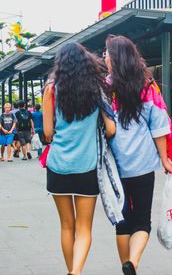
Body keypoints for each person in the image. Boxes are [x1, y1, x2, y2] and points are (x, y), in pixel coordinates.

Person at [104, 35, 172, 275]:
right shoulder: (147, 86)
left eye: (106, 54)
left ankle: (126, 264)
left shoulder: (105, 88)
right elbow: (159, 126)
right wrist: (164, 158)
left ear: (115, 59)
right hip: (143, 165)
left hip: (116, 168)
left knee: (123, 219)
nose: (104, 58)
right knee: (143, 219)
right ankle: (132, 263)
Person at [43, 42, 114, 275]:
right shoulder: (97, 88)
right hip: (87, 166)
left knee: (66, 226)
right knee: (84, 228)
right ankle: (75, 272)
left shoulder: (51, 89)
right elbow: (111, 128)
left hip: (58, 166)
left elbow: (47, 134)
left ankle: (73, 272)